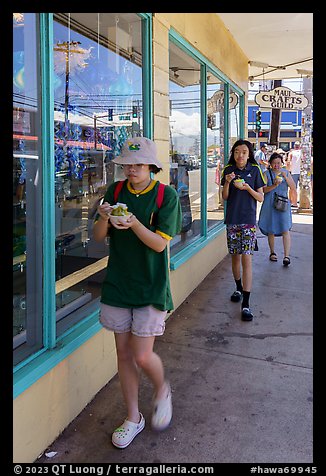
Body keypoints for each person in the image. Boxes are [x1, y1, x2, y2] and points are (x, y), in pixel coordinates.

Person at [93, 136, 182, 449]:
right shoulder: (115, 192)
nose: (131, 170)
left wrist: (132, 223)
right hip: (118, 283)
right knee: (123, 354)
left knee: (142, 355)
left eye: (138, 164)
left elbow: (160, 244)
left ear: (151, 166)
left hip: (151, 286)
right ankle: (133, 417)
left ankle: (161, 389)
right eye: (127, 165)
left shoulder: (165, 195)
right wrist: (104, 218)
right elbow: (98, 237)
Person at [221, 139, 265, 322]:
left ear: (249, 154)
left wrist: (247, 187)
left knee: (246, 258)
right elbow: (224, 197)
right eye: (237, 151)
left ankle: (246, 303)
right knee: (235, 257)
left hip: (248, 221)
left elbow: (261, 197)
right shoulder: (228, 171)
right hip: (232, 220)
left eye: (244, 152)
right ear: (233, 153)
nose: (240, 155)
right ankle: (238, 288)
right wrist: (228, 183)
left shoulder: (255, 170)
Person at [258, 152, 296, 266]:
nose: (276, 165)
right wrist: (274, 185)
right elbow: (263, 190)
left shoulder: (286, 173)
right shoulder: (266, 174)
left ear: (282, 163)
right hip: (270, 204)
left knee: (285, 229)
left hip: (283, 204)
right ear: (270, 164)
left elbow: (293, 187)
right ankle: (272, 252)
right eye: (274, 163)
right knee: (271, 229)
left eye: (278, 163)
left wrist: (285, 177)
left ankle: (286, 256)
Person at [287, 141, 302, 207]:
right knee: (302, 188)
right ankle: (300, 202)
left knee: (293, 188)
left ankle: (293, 202)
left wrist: (288, 170)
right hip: (301, 172)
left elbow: (288, 162)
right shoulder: (302, 152)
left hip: (293, 172)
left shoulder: (291, 153)